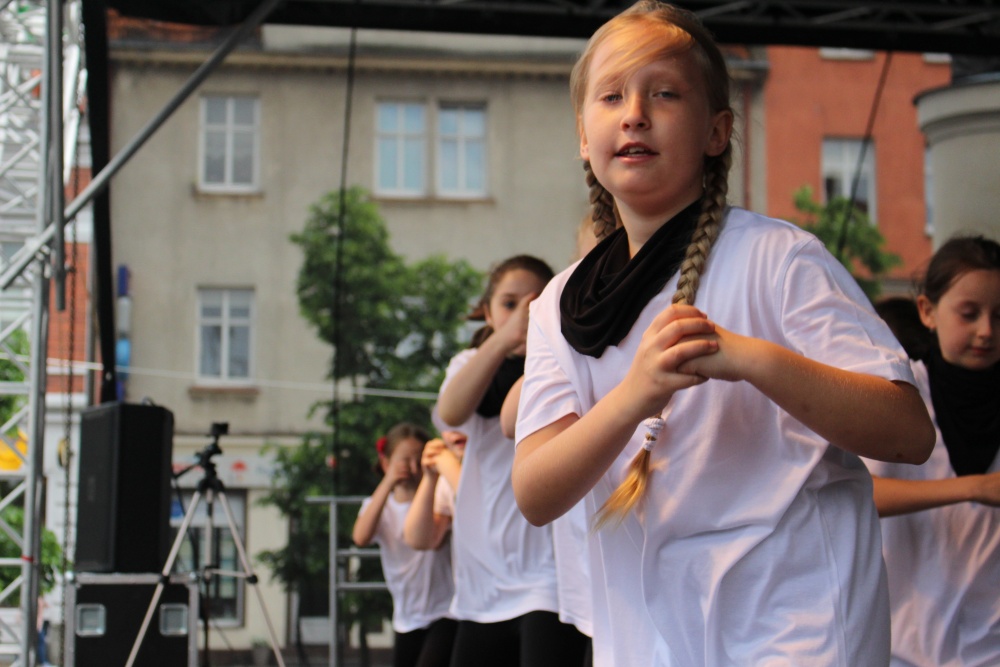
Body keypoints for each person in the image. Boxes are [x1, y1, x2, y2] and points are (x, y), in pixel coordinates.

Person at [510, 3, 935, 666]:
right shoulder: (557, 306)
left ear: (716, 131)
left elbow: (908, 432)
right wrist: (633, 397)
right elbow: (536, 493)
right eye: (611, 96)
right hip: (648, 638)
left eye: (664, 93)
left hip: (796, 629)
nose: (634, 114)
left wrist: (751, 359)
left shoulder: (780, 259)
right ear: (583, 136)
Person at [413, 254, 589, 667]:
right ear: (487, 313)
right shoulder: (468, 365)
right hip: (482, 580)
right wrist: (505, 337)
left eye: (535, 303)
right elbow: (451, 411)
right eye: (509, 304)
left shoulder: (562, 365)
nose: (522, 315)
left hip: (548, 576)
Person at [864, 235, 1000, 666]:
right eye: (969, 313)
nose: (986, 331)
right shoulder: (898, 393)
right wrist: (972, 488)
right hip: (903, 647)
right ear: (927, 311)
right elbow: (857, 490)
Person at [352, 423, 456, 667]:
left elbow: (433, 541)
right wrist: (388, 481)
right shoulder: (380, 506)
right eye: (404, 460)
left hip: (445, 610)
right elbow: (361, 537)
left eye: (418, 460)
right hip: (407, 616)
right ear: (386, 462)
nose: (412, 468)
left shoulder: (438, 498)